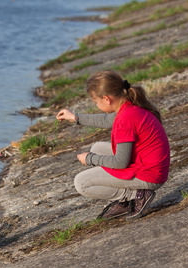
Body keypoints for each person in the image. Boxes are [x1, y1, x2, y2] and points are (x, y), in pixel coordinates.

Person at [56, 70, 170, 220]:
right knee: (97, 148)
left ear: (106, 99)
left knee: (81, 183)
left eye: (96, 102)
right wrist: (74, 117)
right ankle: (126, 200)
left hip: (149, 175)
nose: (96, 105)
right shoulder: (129, 106)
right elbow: (105, 120)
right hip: (150, 165)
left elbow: (120, 162)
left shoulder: (125, 119)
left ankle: (135, 195)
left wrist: (90, 159)